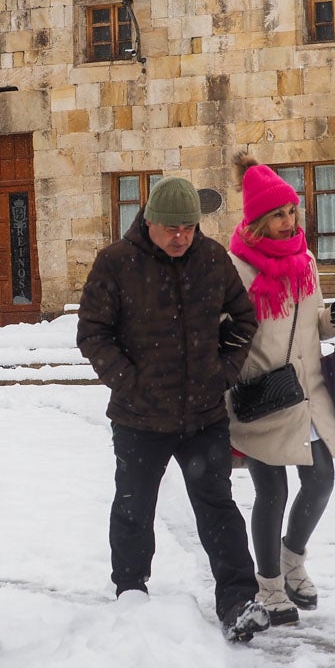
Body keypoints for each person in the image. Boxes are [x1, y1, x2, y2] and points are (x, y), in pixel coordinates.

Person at [77, 176, 270, 642]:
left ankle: (238, 600)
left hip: (203, 415)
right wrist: (130, 381)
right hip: (139, 418)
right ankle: (131, 593)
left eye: (188, 227)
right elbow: (92, 334)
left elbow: (244, 317)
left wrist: (223, 370)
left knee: (218, 508)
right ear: (149, 222)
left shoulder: (211, 259)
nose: (181, 236)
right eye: (171, 228)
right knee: (133, 507)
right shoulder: (116, 263)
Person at [226, 153, 335, 626]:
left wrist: (333, 321)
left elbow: (314, 322)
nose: (287, 221)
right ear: (257, 221)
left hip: (308, 393)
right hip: (263, 396)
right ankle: (270, 585)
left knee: (321, 479)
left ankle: (292, 557)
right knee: (271, 492)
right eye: (277, 214)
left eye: (291, 211)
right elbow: (227, 333)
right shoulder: (236, 269)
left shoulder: (305, 261)